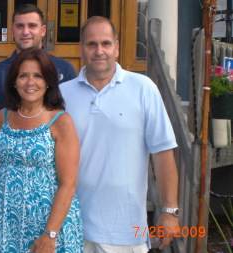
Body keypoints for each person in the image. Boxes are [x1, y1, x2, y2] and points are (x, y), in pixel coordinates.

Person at [59, 16, 179, 252]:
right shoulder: (62, 94)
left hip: (126, 231)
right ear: (81, 48)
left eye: (105, 43)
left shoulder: (144, 89)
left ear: (117, 46)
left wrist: (170, 210)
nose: (99, 51)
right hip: (71, 227)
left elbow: (163, 153)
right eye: (91, 44)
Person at [0, 4, 77, 235]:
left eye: (32, 26)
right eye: (20, 26)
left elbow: (69, 130)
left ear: (43, 30)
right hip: (6, 201)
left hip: (48, 197)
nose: (25, 31)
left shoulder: (65, 69)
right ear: (12, 30)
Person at [0, 48, 83, 252]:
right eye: (23, 75)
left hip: (48, 228)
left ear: (48, 82)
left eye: (38, 75)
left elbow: (69, 184)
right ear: (13, 81)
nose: (30, 82)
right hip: (6, 227)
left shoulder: (60, 121)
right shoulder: (2, 117)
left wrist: (49, 234)